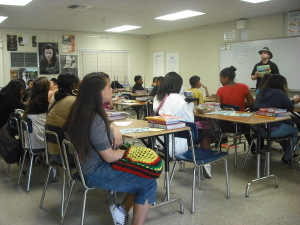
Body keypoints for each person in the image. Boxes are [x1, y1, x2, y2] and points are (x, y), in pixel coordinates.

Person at [64, 72, 157, 225]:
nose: (112, 90)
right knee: (148, 180)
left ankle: (120, 211)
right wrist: (130, 152)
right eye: (109, 87)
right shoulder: (95, 120)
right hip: (95, 171)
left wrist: (113, 125)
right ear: (100, 92)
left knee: (141, 171)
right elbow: (109, 156)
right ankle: (124, 214)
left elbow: (104, 122)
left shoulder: (81, 111)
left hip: (85, 166)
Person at [153, 72, 211, 177]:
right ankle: (206, 164)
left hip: (161, 139)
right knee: (205, 130)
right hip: (176, 139)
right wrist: (191, 106)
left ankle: (205, 164)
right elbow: (189, 119)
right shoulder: (177, 98)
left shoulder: (158, 97)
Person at [253, 75, 298, 164]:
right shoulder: (279, 92)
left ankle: (289, 151)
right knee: (295, 131)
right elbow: (290, 107)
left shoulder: (261, 92)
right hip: (271, 129)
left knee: (285, 128)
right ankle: (287, 157)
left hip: (257, 128)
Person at [46, 72, 80, 181]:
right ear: (74, 85)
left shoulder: (55, 98)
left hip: (53, 153)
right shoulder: (73, 101)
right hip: (67, 156)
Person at [216, 66, 255, 152]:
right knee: (248, 126)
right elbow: (252, 103)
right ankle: (253, 147)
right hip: (242, 125)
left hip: (225, 124)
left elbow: (217, 107)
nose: (220, 80)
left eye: (221, 78)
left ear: (226, 79)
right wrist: (241, 104)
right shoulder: (244, 87)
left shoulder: (220, 90)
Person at [23, 77, 54, 149]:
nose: (53, 84)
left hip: (32, 135)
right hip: (40, 132)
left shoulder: (35, 97)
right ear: (45, 85)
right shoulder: (48, 94)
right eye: (50, 82)